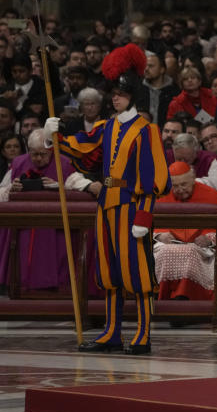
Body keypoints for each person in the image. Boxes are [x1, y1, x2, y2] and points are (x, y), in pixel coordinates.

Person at [46, 43, 170, 354]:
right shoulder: (108, 126)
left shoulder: (146, 131)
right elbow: (86, 149)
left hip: (131, 206)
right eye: (112, 93)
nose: (114, 97)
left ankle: (142, 334)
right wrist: (57, 133)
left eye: (120, 93)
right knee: (110, 271)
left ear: (133, 95)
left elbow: (153, 180)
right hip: (106, 205)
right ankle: (112, 332)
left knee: (137, 271)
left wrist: (144, 217)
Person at [0, 130, 96, 291]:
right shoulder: (18, 163)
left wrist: (59, 185)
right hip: (24, 224)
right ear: (28, 150)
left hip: (53, 227)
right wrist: (12, 189)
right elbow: (2, 192)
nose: (38, 158)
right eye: (34, 154)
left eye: (43, 154)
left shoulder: (63, 163)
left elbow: (82, 185)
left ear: (51, 150)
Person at [153, 162, 217, 300]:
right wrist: (160, 235)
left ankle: (186, 299)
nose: (180, 189)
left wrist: (208, 238)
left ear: (193, 179)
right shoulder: (161, 196)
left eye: (184, 184)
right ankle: (163, 299)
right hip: (167, 245)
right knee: (165, 252)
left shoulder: (211, 195)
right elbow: (149, 226)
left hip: (199, 246)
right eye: (175, 186)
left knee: (189, 252)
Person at [136, 51, 179, 126]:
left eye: (151, 66)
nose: (146, 69)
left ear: (162, 69)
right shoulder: (137, 89)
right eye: (145, 66)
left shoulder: (174, 92)